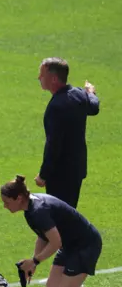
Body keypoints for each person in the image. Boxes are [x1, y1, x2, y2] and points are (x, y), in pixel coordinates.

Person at [1, 175, 102, 287]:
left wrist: (36, 261)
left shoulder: (38, 210)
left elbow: (55, 242)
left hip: (85, 245)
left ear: (19, 198)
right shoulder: (29, 209)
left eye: (7, 202)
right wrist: (34, 260)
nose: (5, 207)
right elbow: (43, 236)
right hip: (71, 245)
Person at [35, 57, 99, 209]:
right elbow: (94, 107)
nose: (39, 77)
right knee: (69, 214)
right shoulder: (78, 94)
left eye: (42, 75)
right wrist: (91, 93)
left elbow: (53, 145)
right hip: (76, 169)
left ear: (54, 79)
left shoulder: (56, 107)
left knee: (59, 219)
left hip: (60, 174)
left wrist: (43, 175)